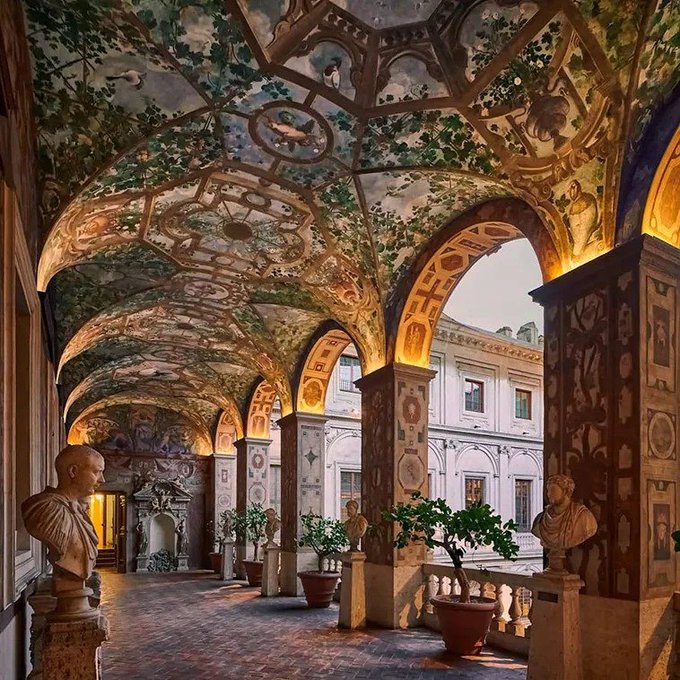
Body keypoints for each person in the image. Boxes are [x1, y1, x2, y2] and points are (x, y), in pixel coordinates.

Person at [22, 445, 105, 581]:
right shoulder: (46, 509)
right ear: (73, 471)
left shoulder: (78, 510)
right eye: (97, 472)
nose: (102, 480)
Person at [531, 473, 597, 550]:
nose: (549, 494)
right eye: (548, 490)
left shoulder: (584, 516)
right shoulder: (540, 519)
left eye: (553, 490)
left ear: (565, 491)